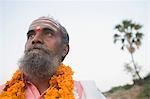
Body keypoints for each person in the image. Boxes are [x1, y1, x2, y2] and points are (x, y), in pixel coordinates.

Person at [0, 16, 106, 99]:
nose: (35, 39)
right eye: (31, 35)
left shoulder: (87, 93)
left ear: (64, 49)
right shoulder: (3, 92)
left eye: (48, 34)